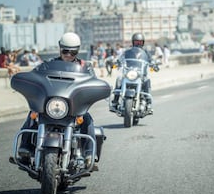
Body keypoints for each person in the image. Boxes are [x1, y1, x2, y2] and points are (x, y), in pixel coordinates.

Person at [17, 32, 97, 167]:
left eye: (73, 52)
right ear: (60, 48)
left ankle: (89, 153)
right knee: (33, 114)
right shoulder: (48, 65)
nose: (68, 55)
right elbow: (35, 76)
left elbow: (93, 82)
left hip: (73, 106)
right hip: (52, 104)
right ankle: (25, 148)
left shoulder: (85, 67)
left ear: (77, 51)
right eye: (65, 51)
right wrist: (28, 82)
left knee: (87, 119)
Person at [111, 33, 157, 114]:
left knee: (147, 81)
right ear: (133, 42)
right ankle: (115, 102)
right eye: (136, 42)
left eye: (140, 42)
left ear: (143, 43)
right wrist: (116, 62)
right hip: (130, 73)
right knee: (119, 80)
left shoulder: (145, 52)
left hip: (141, 75)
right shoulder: (128, 52)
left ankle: (148, 103)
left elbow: (151, 60)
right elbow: (121, 58)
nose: (138, 44)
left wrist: (154, 64)